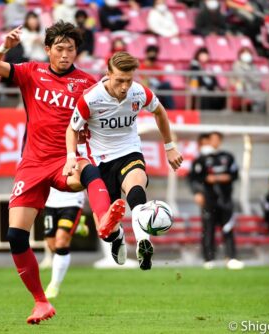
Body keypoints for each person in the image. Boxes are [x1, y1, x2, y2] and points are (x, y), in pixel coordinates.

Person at [0, 21, 126, 324]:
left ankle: (105, 223)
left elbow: (114, 103)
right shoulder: (30, 71)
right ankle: (40, 302)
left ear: (77, 51)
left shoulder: (88, 83)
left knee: (86, 173)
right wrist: (4, 48)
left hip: (67, 158)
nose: (64, 55)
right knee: (15, 236)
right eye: (59, 49)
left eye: (70, 49)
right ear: (47, 49)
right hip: (32, 163)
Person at [64, 51, 184, 270]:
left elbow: (160, 113)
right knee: (106, 229)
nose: (124, 86)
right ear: (108, 74)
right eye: (119, 80)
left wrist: (169, 147)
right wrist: (71, 157)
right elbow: (72, 129)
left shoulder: (138, 92)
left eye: (128, 80)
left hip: (129, 152)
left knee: (136, 185)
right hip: (99, 161)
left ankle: (142, 241)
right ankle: (117, 236)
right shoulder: (91, 98)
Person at [189, 131, 243, 270]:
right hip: (209, 200)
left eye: (216, 139)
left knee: (228, 228)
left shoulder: (227, 157)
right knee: (208, 229)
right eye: (211, 139)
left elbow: (234, 174)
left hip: (225, 199)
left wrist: (218, 178)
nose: (213, 142)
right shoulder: (201, 159)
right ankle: (209, 259)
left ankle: (231, 257)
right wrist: (198, 193)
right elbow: (194, 178)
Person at [43, 187, 86, 299]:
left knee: (61, 242)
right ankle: (77, 227)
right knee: (52, 246)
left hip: (72, 201)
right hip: (50, 202)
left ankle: (54, 285)